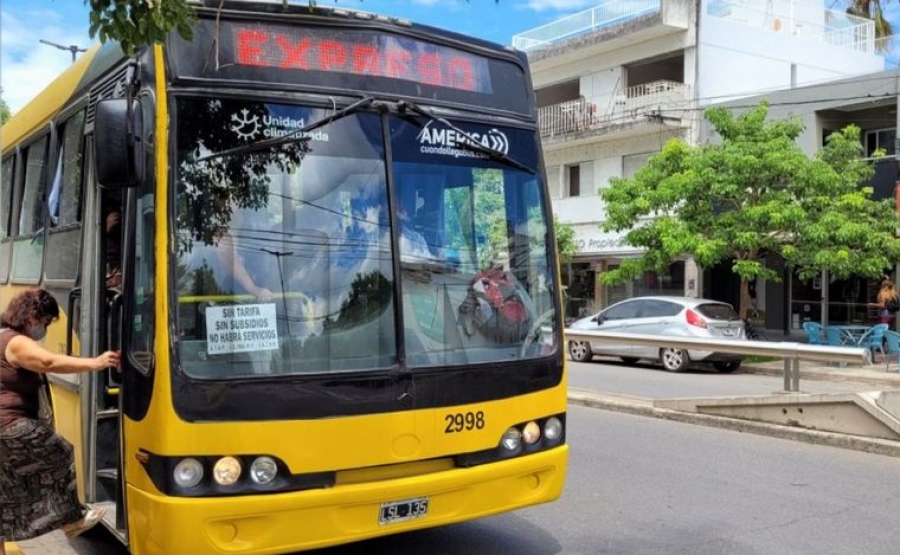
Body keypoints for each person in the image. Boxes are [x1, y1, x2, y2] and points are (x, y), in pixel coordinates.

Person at [0, 289, 120, 554]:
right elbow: (48, 361)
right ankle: (70, 521)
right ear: (32, 315)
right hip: (8, 423)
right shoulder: (16, 341)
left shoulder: (3, 336)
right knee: (59, 449)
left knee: (5, 490)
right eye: (46, 321)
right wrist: (94, 363)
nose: (45, 327)